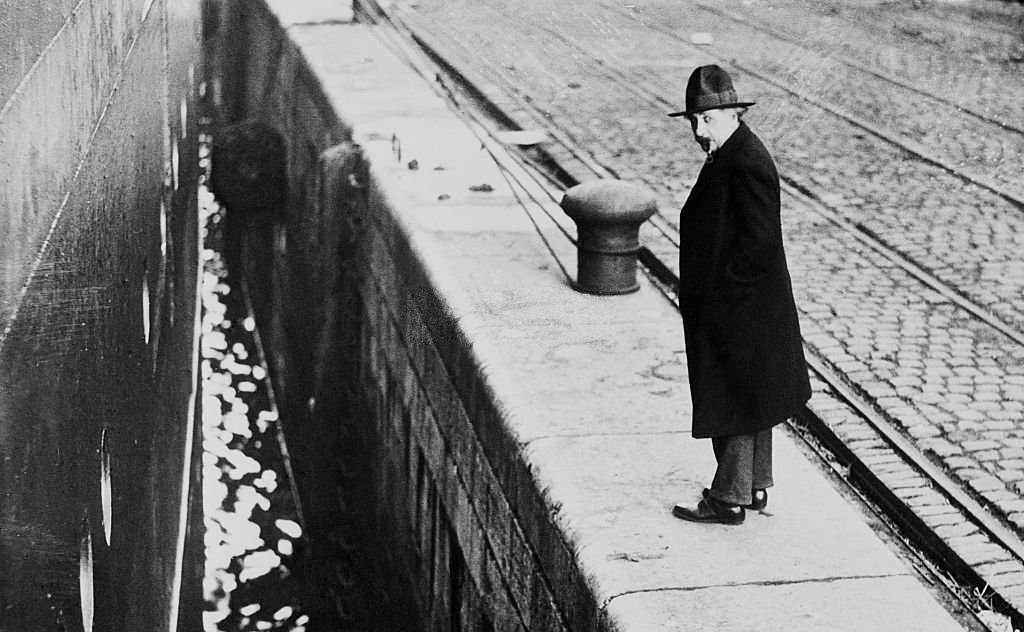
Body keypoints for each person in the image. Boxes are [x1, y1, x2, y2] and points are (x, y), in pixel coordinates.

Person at [668, 65, 812, 525]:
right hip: (744, 304)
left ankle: (727, 498)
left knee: (731, 398)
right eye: (694, 120)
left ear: (733, 113)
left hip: (740, 306)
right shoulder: (730, 151)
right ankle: (754, 485)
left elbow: (761, 241)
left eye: (707, 119)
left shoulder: (747, 161)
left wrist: (721, 293)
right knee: (751, 395)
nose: (698, 130)